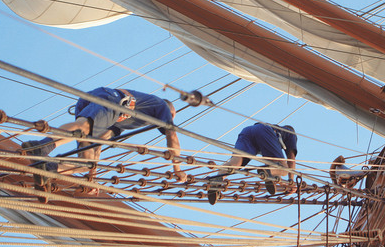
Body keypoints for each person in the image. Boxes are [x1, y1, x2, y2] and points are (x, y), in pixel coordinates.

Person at [20, 87, 186, 183]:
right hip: (112, 99)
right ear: (169, 111)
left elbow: (98, 143)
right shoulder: (161, 106)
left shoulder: (128, 124)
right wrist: (177, 170)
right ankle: (41, 146)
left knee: (86, 162)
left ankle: (47, 170)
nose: (169, 119)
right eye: (171, 116)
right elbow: (172, 137)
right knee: (84, 127)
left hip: (103, 107)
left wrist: (92, 176)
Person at [206, 123, 297, 204]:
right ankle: (266, 171)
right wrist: (291, 182)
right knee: (284, 170)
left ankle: (217, 179)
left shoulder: (274, 136)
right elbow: (291, 159)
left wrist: (282, 183)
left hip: (248, 131)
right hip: (264, 130)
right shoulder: (291, 134)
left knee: (236, 163)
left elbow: (274, 167)